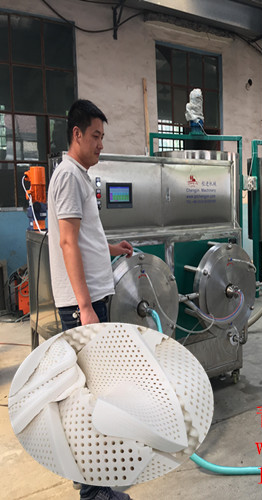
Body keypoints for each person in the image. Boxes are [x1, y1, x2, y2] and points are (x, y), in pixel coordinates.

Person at [47, 99, 133, 500]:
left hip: (92, 301)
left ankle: (95, 481)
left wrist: (111, 248)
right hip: (82, 306)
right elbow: (67, 243)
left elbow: (82, 238)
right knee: (87, 399)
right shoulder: (68, 176)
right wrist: (84, 307)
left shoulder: (80, 176)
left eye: (102, 136)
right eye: (95, 136)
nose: (101, 143)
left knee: (96, 393)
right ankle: (93, 492)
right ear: (76, 134)